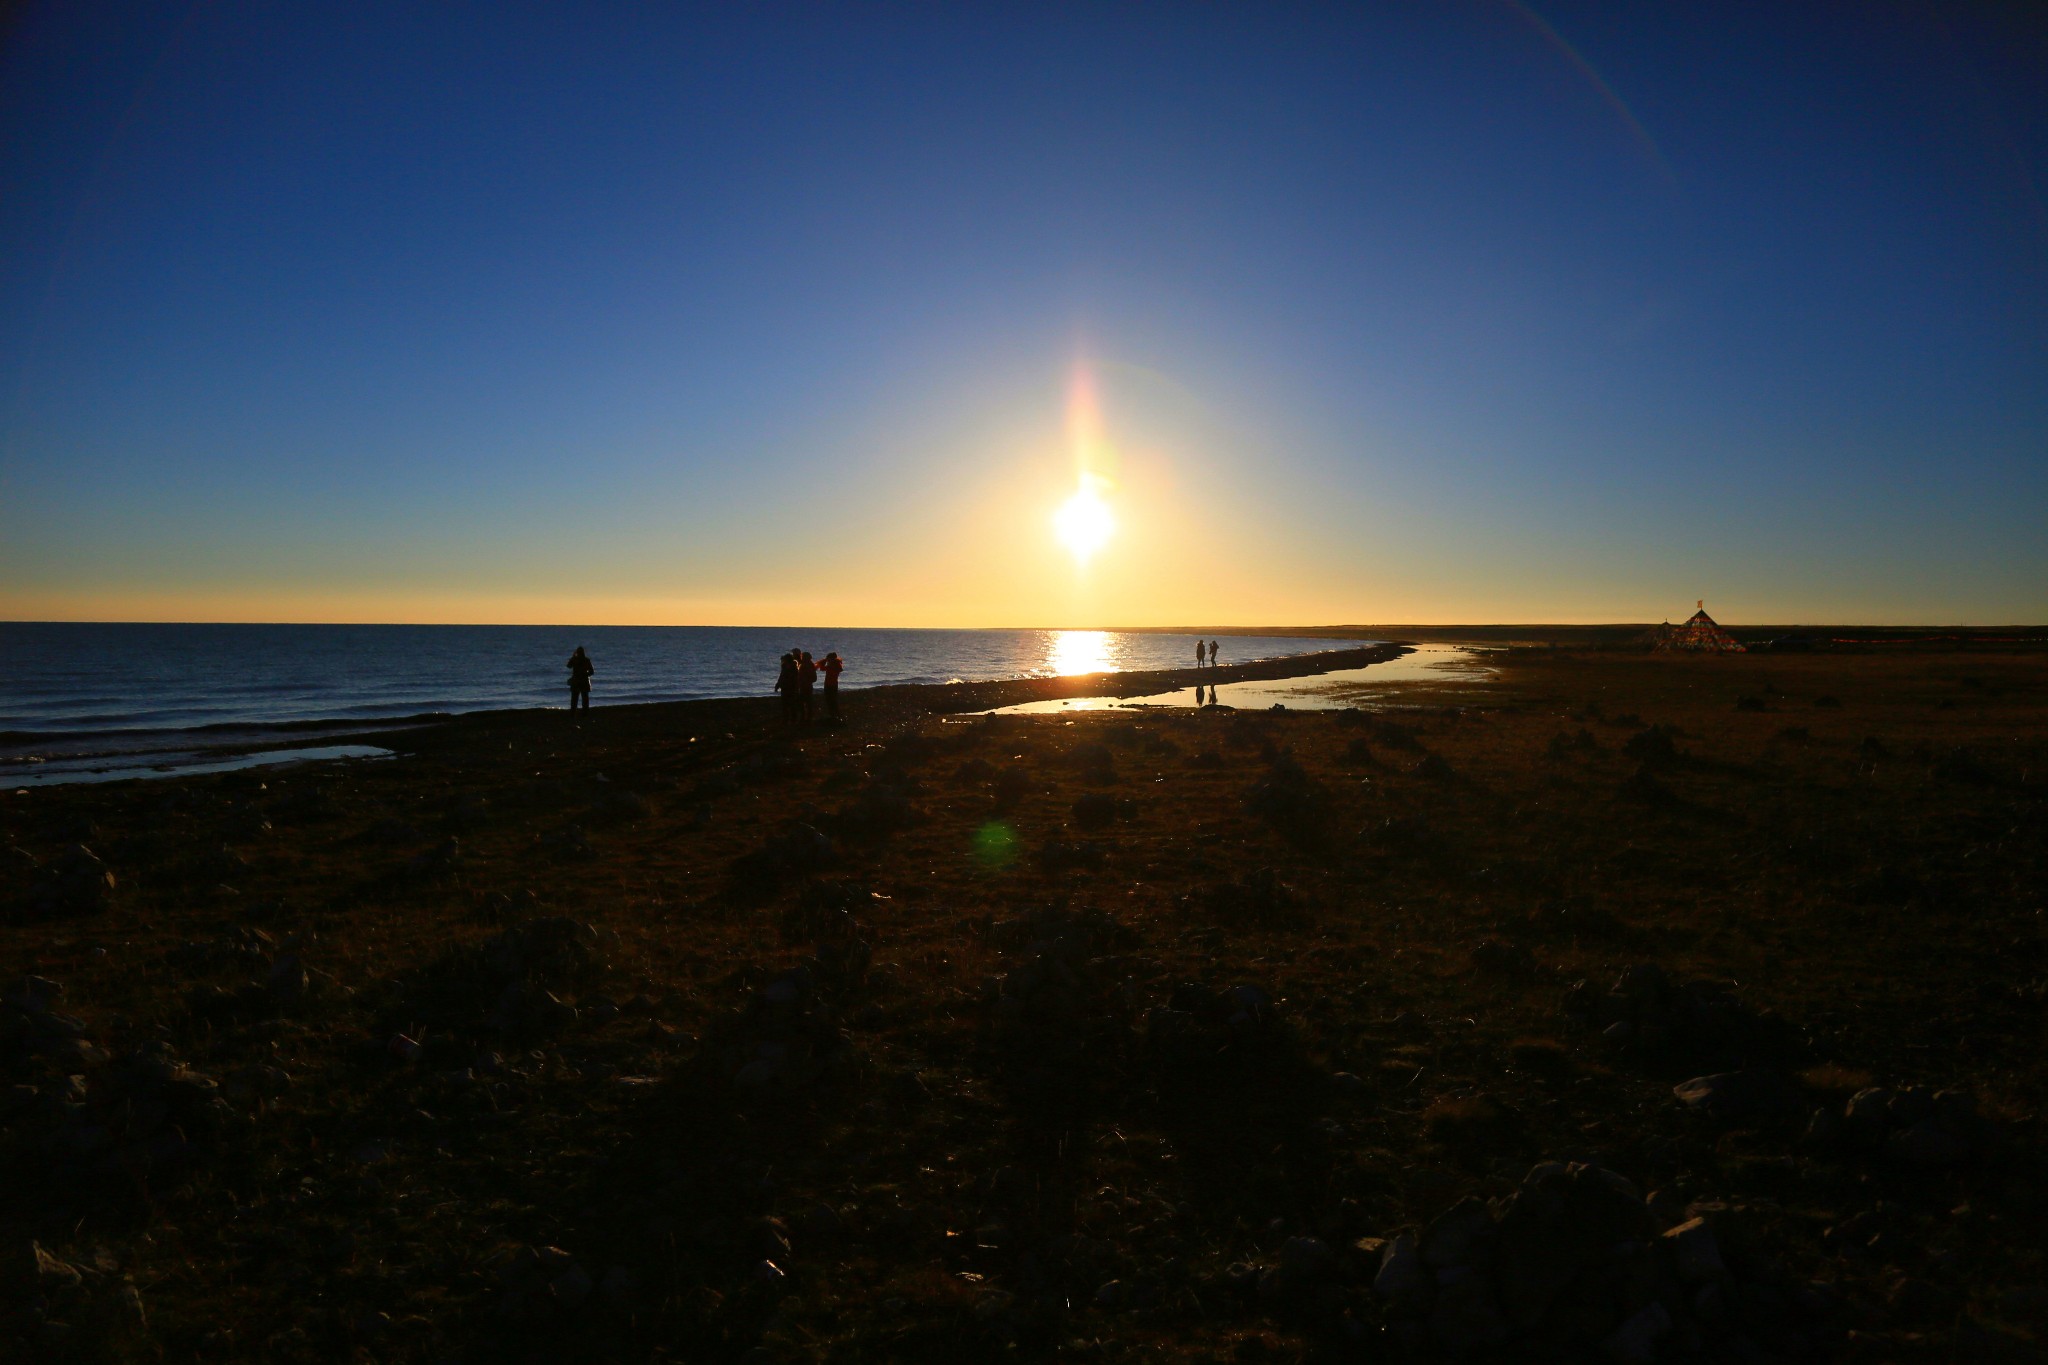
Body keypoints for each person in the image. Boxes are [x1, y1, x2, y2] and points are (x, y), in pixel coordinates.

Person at [774, 650, 799, 723]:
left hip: (791, 689)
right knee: (785, 705)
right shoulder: (785, 668)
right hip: (785, 688)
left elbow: (794, 679)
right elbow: (781, 677)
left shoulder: (794, 669)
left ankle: (792, 719)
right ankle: (786, 719)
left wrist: (795, 688)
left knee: (791, 705)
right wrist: (777, 685)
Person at [566, 646, 594, 711]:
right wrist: (585, 675)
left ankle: (573, 713)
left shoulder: (574, 660)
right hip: (584, 681)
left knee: (574, 699)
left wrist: (573, 657)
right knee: (585, 699)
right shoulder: (586, 660)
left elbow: (568, 666)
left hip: (576, 681)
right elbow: (592, 671)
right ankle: (584, 713)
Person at [819, 651, 844, 719]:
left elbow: (822, 668)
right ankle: (836, 714)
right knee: (833, 700)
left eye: (828, 659)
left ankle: (833, 715)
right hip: (834, 684)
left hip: (829, 684)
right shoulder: (837, 664)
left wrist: (823, 661)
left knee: (830, 700)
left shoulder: (831, 665)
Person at [799, 651, 818, 723]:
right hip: (805, 686)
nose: (802, 658)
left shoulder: (807, 665)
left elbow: (814, 678)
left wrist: (804, 680)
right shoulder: (808, 665)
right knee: (806, 702)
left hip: (806, 686)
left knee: (805, 702)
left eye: (802, 656)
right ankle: (806, 718)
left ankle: (806, 718)